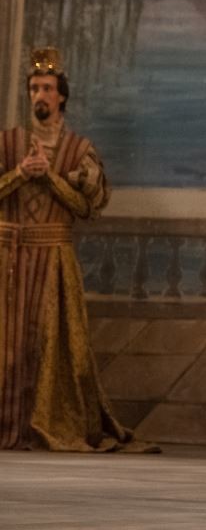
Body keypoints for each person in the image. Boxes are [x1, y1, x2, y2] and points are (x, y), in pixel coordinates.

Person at [0, 47, 155, 452]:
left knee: (54, 346)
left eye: (47, 88)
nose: (40, 95)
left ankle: (44, 423)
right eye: (35, 88)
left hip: (53, 259)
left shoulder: (78, 151)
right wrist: (21, 172)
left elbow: (88, 207)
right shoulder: (8, 144)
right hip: (8, 260)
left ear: (61, 96)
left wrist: (50, 178)